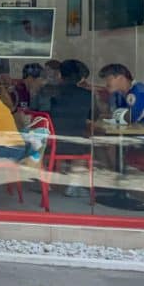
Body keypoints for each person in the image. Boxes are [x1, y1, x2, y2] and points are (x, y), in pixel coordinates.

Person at [31, 60, 94, 196]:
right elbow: (94, 116)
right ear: (81, 78)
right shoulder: (87, 95)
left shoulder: (47, 90)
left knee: (40, 140)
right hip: (75, 143)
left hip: (48, 143)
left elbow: (35, 111)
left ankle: (45, 181)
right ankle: (74, 184)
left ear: (60, 74)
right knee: (86, 144)